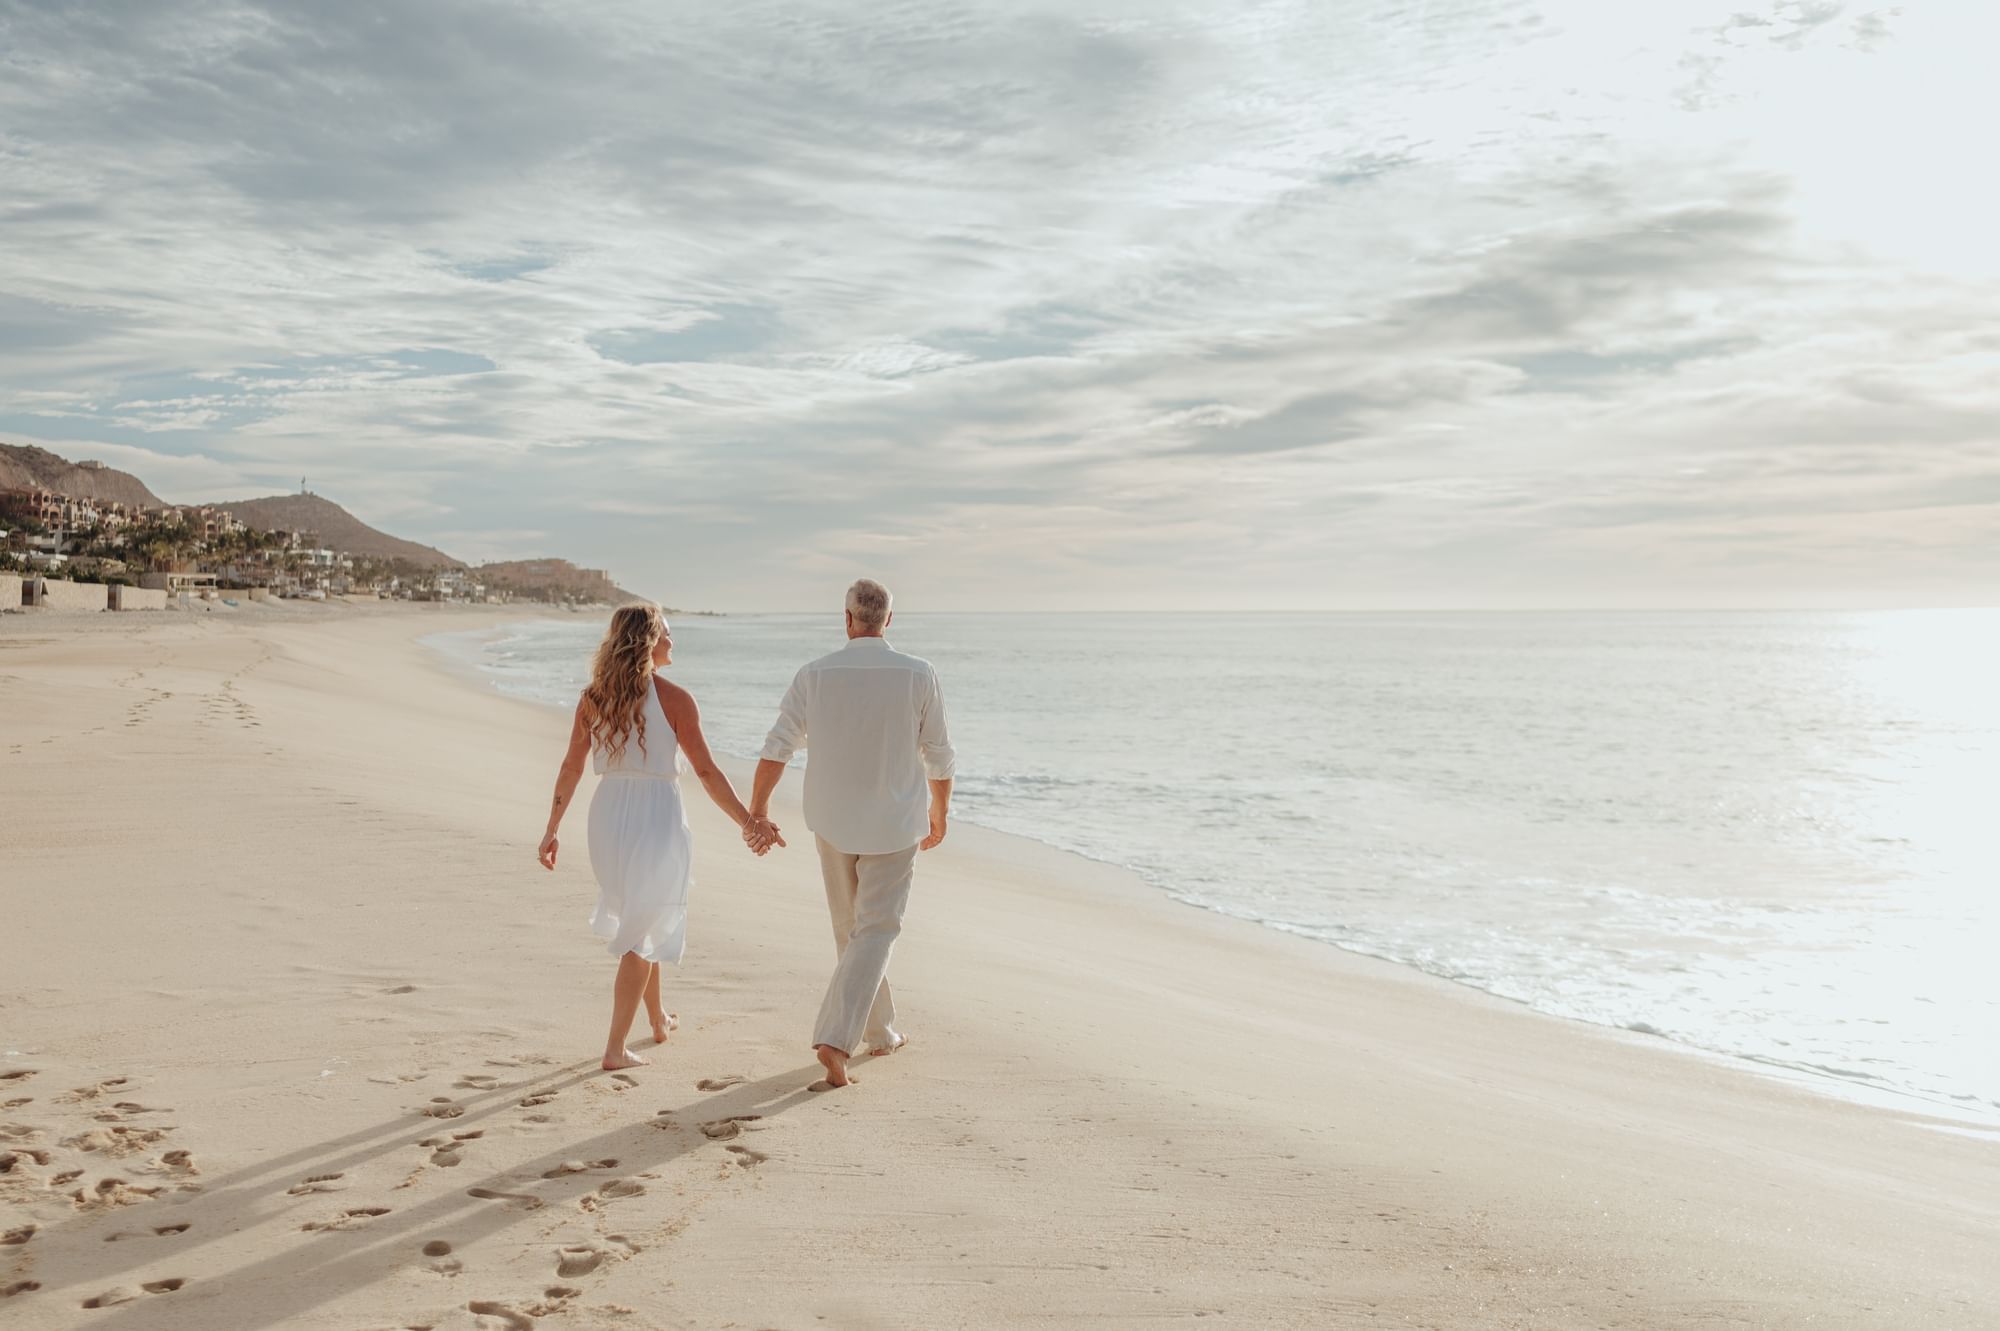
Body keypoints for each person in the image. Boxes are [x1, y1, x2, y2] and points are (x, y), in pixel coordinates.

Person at [539, 603, 782, 1071]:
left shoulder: (594, 697)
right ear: (648, 642)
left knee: (641, 917)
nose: (674, 642)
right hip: (656, 818)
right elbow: (707, 772)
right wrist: (748, 821)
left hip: (606, 817)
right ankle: (614, 1048)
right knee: (641, 929)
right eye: (668, 634)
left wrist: (552, 829)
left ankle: (657, 1020)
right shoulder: (675, 699)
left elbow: (571, 766)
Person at [747, 578, 955, 1088]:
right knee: (876, 931)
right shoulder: (918, 674)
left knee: (854, 931)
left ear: (846, 619)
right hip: (895, 821)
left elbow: (778, 746)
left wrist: (758, 808)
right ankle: (837, 1039)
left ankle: (881, 1031)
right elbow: (940, 753)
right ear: (889, 620)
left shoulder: (815, 674)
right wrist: (940, 810)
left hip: (833, 821)